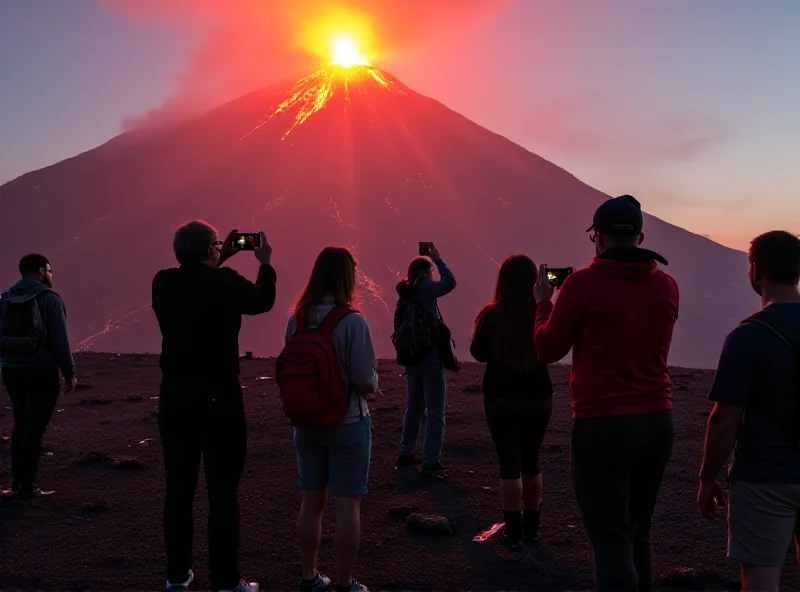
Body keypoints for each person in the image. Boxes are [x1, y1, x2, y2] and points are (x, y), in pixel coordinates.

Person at [533, 195, 679, 592]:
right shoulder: (667, 286)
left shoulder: (581, 284)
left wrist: (544, 306)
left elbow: (548, 350)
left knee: (610, 537)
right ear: (640, 236)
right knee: (638, 530)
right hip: (656, 421)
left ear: (597, 237)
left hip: (602, 425)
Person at [151, 222, 276, 592]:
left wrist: (218, 257)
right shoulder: (227, 283)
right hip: (219, 398)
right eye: (217, 246)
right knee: (222, 491)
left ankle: (177, 576)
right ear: (210, 252)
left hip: (174, 397)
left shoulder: (163, 282)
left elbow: (195, 283)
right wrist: (265, 263)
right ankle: (225, 581)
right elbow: (262, 300)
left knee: (178, 490)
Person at [698, 230, 800, 592]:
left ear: (754, 271)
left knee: (759, 580)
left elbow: (726, 417)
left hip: (763, 477)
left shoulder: (746, 338)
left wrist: (707, 478)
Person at [285, 247, 377, 592]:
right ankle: (344, 583)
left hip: (306, 423)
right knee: (347, 504)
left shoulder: (294, 321)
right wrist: (375, 387)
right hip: (348, 422)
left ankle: (309, 577)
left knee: (311, 502)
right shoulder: (353, 322)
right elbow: (364, 378)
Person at [470, 254, 553, 551]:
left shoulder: (492, 315)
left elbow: (478, 353)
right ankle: (532, 527)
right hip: (538, 396)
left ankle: (513, 531)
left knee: (509, 463)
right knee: (532, 461)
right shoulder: (542, 314)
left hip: (500, 397)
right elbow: (552, 348)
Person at [0, 253, 76, 499]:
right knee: (34, 428)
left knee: (20, 424)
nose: (51, 275)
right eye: (50, 271)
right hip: (41, 371)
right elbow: (59, 339)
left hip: (11, 369)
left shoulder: (5, 298)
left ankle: (16, 483)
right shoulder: (50, 299)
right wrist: (69, 372)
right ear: (42, 270)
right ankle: (27, 486)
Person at [395, 247, 457, 475]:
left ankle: (406, 452)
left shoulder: (404, 291)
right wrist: (439, 261)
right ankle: (430, 460)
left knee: (413, 408)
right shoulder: (427, 288)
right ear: (425, 272)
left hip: (411, 358)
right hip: (430, 357)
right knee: (435, 412)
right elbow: (451, 282)